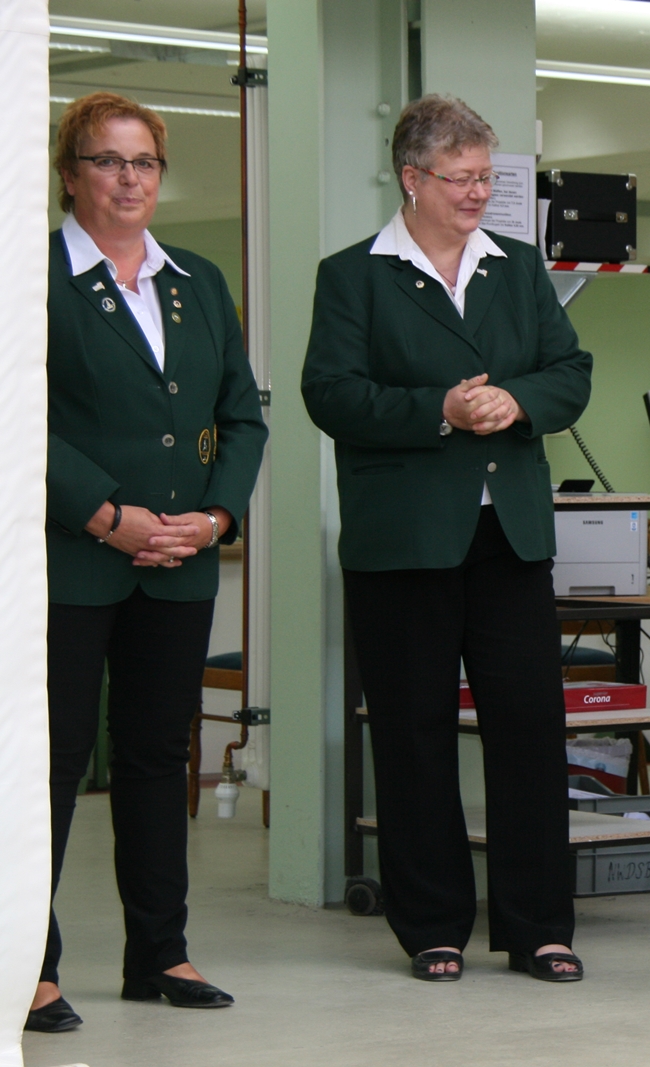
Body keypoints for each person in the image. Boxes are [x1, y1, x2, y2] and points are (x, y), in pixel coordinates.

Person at [301, 95, 592, 985]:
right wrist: (441, 409)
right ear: (412, 178)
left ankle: (538, 926)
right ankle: (432, 925)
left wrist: (518, 401)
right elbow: (329, 393)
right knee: (413, 733)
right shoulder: (354, 276)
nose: (477, 193)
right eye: (460, 178)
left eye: (485, 178)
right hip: (404, 542)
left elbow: (570, 370)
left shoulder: (518, 268)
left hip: (510, 535)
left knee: (530, 729)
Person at [31, 92, 267, 1033]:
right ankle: (30, 967)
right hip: (70, 557)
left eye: (144, 162)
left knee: (159, 756)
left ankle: (159, 952)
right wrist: (105, 515)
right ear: (69, 173)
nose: (129, 179)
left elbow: (241, 415)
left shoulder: (197, 281)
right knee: (50, 763)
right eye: (107, 160)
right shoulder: (31, 274)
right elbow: (17, 417)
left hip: (180, 559)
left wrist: (214, 516)